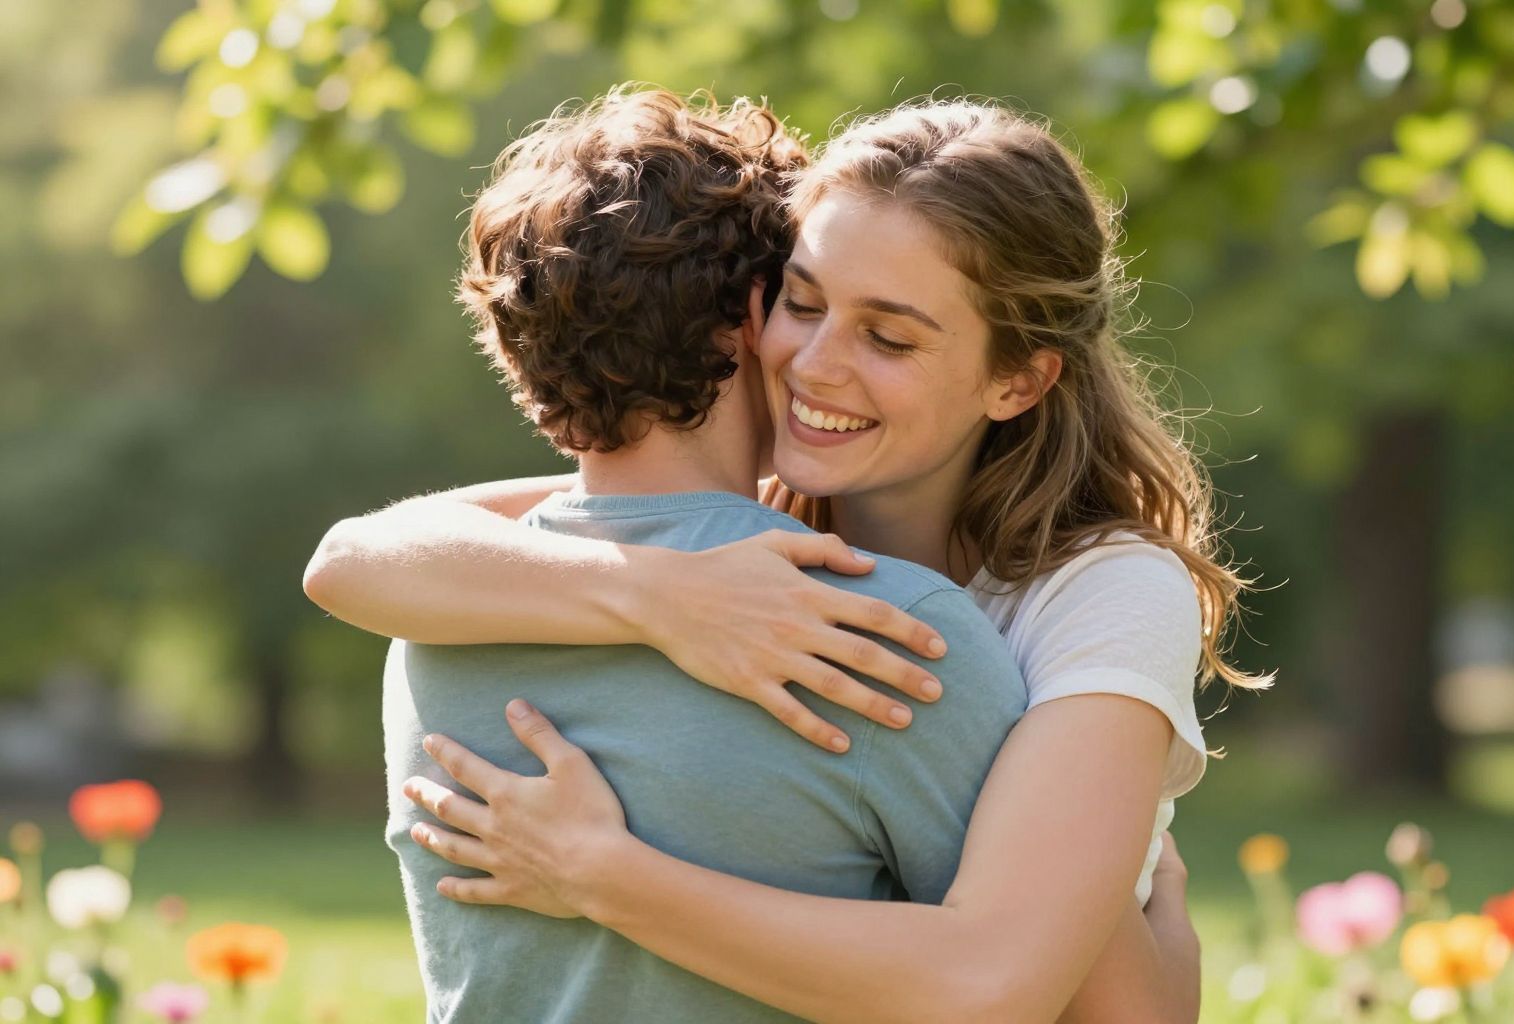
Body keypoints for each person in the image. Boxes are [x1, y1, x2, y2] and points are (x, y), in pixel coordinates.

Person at [305, 88, 1254, 1022]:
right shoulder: (741, 553)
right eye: (801, 303)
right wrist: (662, 595)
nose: (815, 363)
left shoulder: (1092, 597)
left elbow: (1035, 991)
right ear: (747, 315)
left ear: (1019, 379)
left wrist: (606, 875)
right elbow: (357, 554)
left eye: (887, 336)